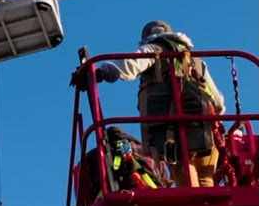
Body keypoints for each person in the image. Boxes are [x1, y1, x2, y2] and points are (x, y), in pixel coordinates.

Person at [71, 21, 225, 187]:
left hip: (174, 131)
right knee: (205, 179)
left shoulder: (155, 49)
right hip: (207, 130)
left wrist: (101, 73)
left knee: (184, 175)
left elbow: (130, 64)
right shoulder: (196, 61)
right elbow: (218, 102)